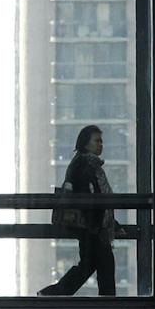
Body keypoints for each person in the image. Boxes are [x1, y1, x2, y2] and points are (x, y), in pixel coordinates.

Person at [38, 124, 116, 296]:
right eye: (96, 141)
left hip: (93, 225)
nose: (100, 144)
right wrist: (96, 223)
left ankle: (54, 293)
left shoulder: (87, 164)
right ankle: (110, 305)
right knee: (104, 265)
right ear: (85, 143)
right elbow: (91, 197)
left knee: (90, 264)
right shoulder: (84, 164)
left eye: (101, 141)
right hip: (92, 226)